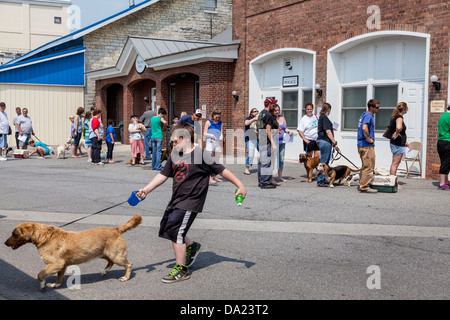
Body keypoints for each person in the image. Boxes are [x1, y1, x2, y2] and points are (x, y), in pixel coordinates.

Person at [136, 122, 246, 283]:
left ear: (186, 139)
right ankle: (192, 246)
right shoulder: (175, 155)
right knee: (168, 226)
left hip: (191, 201)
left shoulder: (202, 155)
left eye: (175, 141)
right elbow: (163, 175)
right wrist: (146, 189)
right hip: (177, 199)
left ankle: (181, 269)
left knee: (176, 230)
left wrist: (240, 185)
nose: (173, 144)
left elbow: (222, 170)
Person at [357, 99, 380, 193]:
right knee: (369, 166)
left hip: (361, 145)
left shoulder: (364, 114)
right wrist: (368, 139)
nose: (379, 109)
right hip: (366, 146)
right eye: (377, 107)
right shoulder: (368, 115)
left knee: (364, 165)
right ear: (371, 107)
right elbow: (364, 128)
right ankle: (364, 186)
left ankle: (361, 183)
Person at [257, 98, 278, 189]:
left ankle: (261, 180)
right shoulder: (268, 115)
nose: (274, 106)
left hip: (260, 137)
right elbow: (268, 130)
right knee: (266, 161)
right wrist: (273, 143)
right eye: (273, 104)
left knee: (261, 161)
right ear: (269, 104)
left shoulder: (261, 113)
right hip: (265, 139)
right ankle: (265, 182)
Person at [316, 103, 338, 187]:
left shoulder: (321, 118)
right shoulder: (324, 118)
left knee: (325, 161)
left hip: (321, 141)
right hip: (325, 141)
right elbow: (328, 131)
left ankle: (324, 179)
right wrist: (334, 142)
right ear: (328, 109)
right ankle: (321, 180)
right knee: (324, 163)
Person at [204, 108, 224, 184]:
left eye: (219, 117)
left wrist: (221, 138)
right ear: (213, 116)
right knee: (210, 160)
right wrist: (210, 135)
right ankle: (209, 177)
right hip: (210, 141)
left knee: (216, 161)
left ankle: (214, 176)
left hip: (217, 142)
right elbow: (204, 133)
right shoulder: (208, 122)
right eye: (216, 117)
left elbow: (221, 132)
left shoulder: (220, 123)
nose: (217, 119)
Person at [389, 102, 409, 177]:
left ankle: (393, 181)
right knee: (395, 163)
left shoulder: (395, 116)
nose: (407, 110)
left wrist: (405, 141)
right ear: (404, 109)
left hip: (397, 143)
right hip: (397, 143)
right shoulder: (399, 117)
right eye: (407, 108)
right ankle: (393, 183)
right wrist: (397, 132)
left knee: (395, 163)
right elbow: (399, 127)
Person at [274, 104, 293, 182]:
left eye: (278, 110)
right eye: (275, 110)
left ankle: (280, 176)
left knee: (281, 159)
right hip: (274, 142)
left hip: (282, 141)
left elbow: (285, 128)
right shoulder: (271, 118)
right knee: (273, 159)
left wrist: (289, 131)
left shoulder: (282, 117)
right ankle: (269, 176)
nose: (277, 111)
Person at [437, 104, 450, 190]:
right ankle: (442, 184)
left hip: (440, 142)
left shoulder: (442, 116)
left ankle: (446, 182)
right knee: (446, 163)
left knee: (445, 162)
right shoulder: (449, 116)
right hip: (447, 142)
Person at [244, 108, 259, 175]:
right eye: (254, 111)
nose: (256, 112)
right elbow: (246, 123)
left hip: (258, 137)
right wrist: (254, 119)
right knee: (250, 154)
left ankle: (263, 166)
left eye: (257, 111)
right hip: (250, 138)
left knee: (263, 151)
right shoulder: (248, 118)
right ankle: (247, 168)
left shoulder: (259, 119)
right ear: (251, 113)